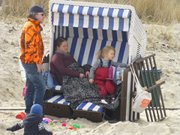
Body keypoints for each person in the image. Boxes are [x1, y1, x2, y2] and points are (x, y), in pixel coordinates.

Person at [50, 37, 100, 108]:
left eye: (67, 45)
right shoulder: (56, 57)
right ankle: (91, 100)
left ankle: (100, 96)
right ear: (58, 47)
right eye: (64, 46)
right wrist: (78, 74)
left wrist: (86, 70)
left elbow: (77, 65)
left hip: (76, 73)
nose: (66, 47)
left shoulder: (68, 54)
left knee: (91, 72)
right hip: (67, 78)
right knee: (85, 84)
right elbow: (62, 70)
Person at [19, 5, 46, 113]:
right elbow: (30, 46)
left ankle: (29, 110)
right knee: (41, 87)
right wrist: (38, 62)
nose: (44, 16)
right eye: (42, 14)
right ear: (35, 15)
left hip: (30, 61)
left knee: (30, 86)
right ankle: (36, 113)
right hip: (30, 62)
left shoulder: (35, 25)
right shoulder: (30, 26)